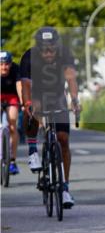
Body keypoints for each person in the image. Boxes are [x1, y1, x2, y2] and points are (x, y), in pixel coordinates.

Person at [19, 27, 80, 208]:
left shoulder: (65, 55)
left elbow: (71, 79)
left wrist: (75, 100)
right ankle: (32, 152)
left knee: (63, 139)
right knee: (32, 107)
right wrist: (28, 104)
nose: (48, 52)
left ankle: (65, 188)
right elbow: (26, 87)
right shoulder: (29, 57)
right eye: (44, 49)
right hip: (36, 94)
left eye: (52, 48)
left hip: (57, 96)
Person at [0, 51, 22, 175]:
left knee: (13, 124)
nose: (4, 67)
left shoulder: (16, 69)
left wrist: (23, 102)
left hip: (12, 97)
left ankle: (12, 160)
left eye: (7, 64)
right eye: (1, 64)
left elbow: (19, 87)